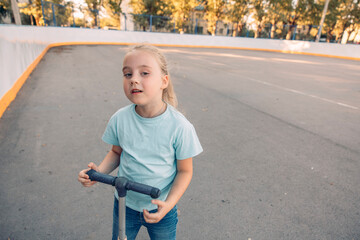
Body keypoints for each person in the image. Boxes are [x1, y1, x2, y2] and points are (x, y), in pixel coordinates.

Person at [78, 44, 203, 240]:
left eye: (144, 73)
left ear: (164, 81)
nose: (134, 79)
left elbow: (185, 171)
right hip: (125, 204)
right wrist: (98, 173)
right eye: (128, 74)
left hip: (160, 208)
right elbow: (116, 153)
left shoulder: (179, 127)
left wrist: (169, 204)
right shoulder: (120, 119)